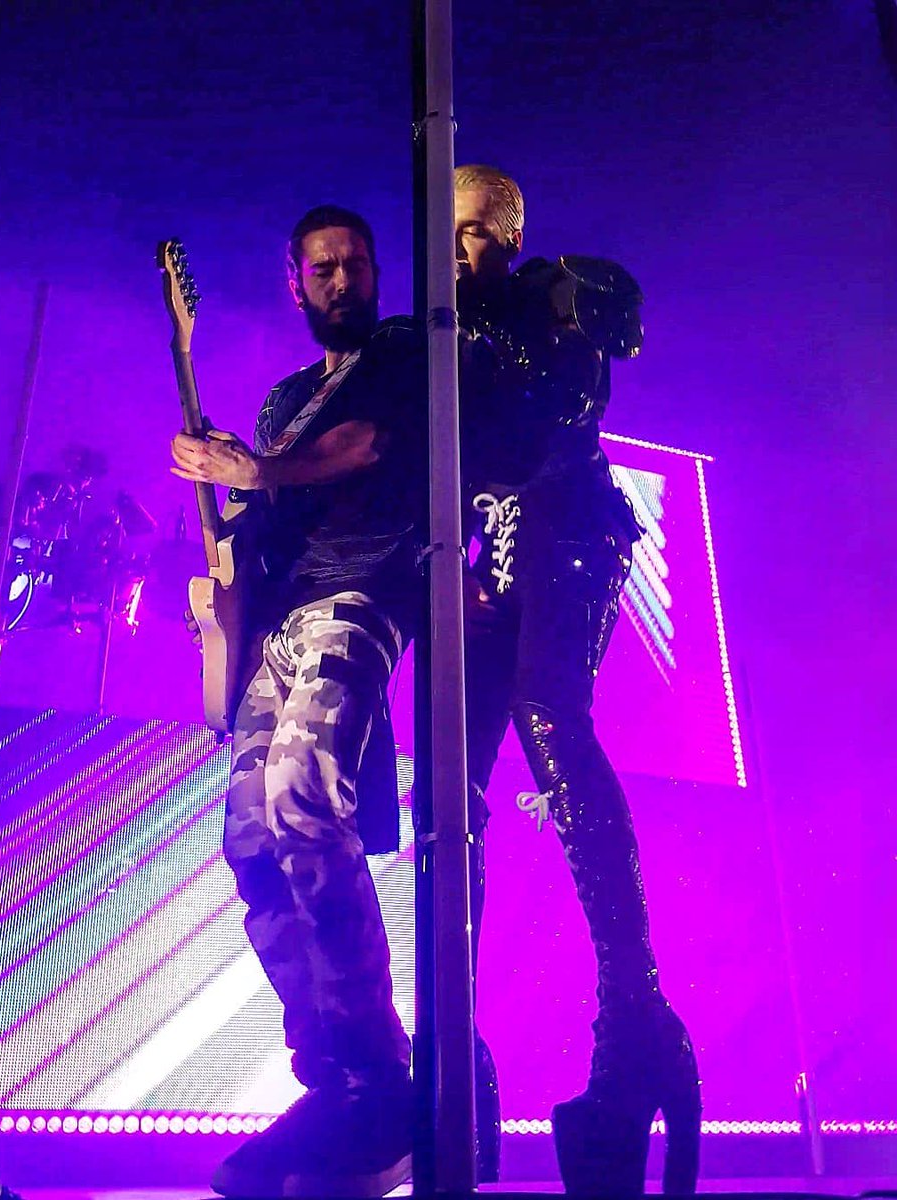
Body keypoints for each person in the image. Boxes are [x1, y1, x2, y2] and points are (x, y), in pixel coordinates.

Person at [455, 164, 702, 1198]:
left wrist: (534, 310)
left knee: (549, 715)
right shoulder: (435, 328)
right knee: (450, 781)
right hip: (484, 565)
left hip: (569, 533)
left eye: (474, 230)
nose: (457, 247)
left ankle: (634, 1018)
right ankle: (455, 1042)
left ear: (509, 235)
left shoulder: (548, 299)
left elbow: (563, 403)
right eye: (446, 230)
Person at [170, 205, 425, 1198]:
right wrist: (227, 493)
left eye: (356, 263)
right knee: (248, 842)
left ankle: (381, 1082)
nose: (343, 280)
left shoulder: (402, 352)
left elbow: (365, 445)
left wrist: (262, 468)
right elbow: (262, 509)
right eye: (324, 269)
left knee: (307, 799)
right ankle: (331, 1080)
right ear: (296, 282)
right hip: (278, 622)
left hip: (358, 598)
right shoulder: (284, 399)